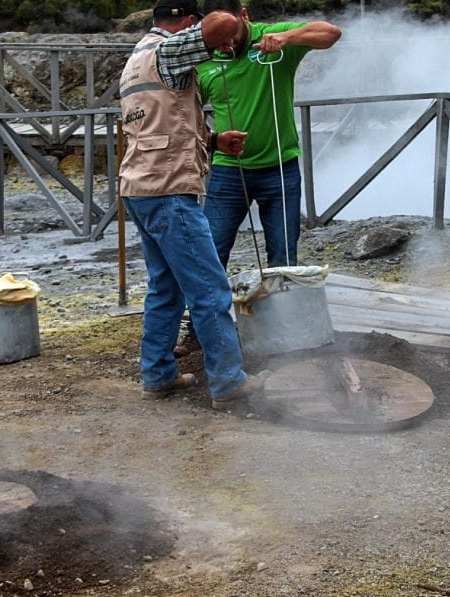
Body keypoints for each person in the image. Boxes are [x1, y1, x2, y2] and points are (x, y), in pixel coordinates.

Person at [119, 0, 268, 409]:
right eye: (195, 26)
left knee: (165, 289)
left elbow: (160, 121)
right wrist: (235, 26)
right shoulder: (168, 50)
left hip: (140, 188)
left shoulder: (138, 57)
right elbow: (220, 23)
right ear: (186, 22)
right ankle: (228, 382)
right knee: (208, 287)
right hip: (169, 191)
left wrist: (214, 140)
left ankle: (158, 374)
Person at [172, 1, 341, 358]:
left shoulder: (271, 39)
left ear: (244, 16)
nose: (225, 45)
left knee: (283, 253)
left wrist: (287, 37)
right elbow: (186, 118)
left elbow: (331, 33)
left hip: (281, 169)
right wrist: (215, 139)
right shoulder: (204, 59)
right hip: (228, 172)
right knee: (211, 253)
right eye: (216, 38)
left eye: (229, 35)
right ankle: (199, 332)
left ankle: (287, 333)